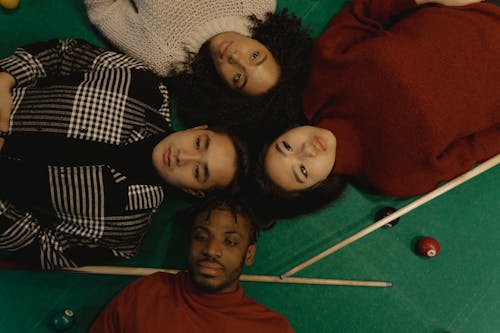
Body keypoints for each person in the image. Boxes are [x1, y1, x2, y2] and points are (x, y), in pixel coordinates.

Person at [0, 39, 249, 270]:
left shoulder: (124, 233)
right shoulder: (144, 85)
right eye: (198, 143)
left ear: (194, 191)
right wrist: (5, 79)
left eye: (198, 172)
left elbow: (45, 249)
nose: (183, 157)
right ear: (198, 128)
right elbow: (63, 54)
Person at [256, 0, 500, 214]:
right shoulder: (396, 179)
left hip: (477, 7)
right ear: (318, 186)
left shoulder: (319, 82)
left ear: (285, 131)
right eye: (302, 171)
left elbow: (365, 14)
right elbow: (475, 148)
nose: (306, 151)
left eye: (286, 146)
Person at [84, 0, 312, 131]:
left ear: (224, 91)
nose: (235, 58)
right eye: (255, 55)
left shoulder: (167, 57)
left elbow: (105, 10)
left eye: (238, 78)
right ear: (268, 44)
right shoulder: (257, 5)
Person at [89, 196, 294, 333]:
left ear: (249, 254)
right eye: (201, 236)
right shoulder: (146, 294)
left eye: (230, 242)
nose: (211, 250)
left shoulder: (271, 328)